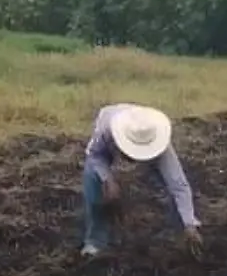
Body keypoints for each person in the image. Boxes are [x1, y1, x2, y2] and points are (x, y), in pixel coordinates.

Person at [81, 103, 203, 258]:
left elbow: (178, 185)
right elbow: (94, 155)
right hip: (107, 138)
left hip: (150, 142)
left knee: (175, 191)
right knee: (93, 180)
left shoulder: (159, 142)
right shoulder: (107, 130)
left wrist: (189, 223)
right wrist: (108, 180)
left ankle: (183, 236)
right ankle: (95, 243)